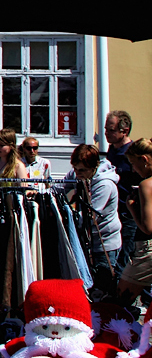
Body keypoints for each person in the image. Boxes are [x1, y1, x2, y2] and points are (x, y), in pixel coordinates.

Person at [64, 144, 121, 296]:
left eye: (82, 170)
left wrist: (67, 219)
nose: (77, 173)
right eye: (75, 169)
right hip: (88, 241)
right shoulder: (77, 173)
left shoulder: (105, 184)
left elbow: (92, 213)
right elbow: (62, 187)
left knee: (103, 286)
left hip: (105, 242)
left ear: (94, 167)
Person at [118, 138, 152, 305]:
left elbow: (148, 227)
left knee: (122, 297)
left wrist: (132, 208)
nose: (133, 169)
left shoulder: (147, 185)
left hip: (148, 251)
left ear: (144, 160)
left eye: (133, 163)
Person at [105, 110, 140, 272]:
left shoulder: (133, 154)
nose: (106, 134)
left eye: (111, 130)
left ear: (124, 131)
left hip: (129, 214)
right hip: (113, 213)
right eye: (105, 129)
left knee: (126, 257)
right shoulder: (111, 152)